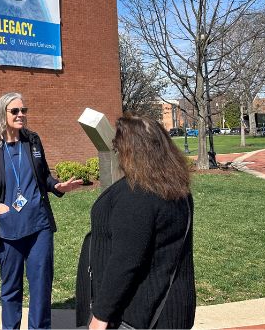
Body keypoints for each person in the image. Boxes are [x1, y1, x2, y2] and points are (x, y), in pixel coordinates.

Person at [0, 92, 82, 329]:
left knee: (41, 286)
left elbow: (43, 176)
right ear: (3, 114)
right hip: (8, 230)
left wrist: (57, 185)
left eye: (24, 111)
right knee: (11, 288)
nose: (21, 115)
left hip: (39, 226)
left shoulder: (32, 140)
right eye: (15, 111)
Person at [76, 114, 196, 329]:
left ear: (132, 150)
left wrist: (101, 316)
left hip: (139, 312)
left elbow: (125, 262)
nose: (117, 152)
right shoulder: (175, 187)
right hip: (172, 305)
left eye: (118, 146)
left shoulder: (138, 196)